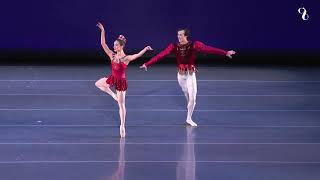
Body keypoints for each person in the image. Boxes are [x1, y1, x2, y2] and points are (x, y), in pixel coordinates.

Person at [140, 29, 236, 126]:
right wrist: (147, 64)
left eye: (181, 35)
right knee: (188, 98)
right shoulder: (173, 46)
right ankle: (190, 107)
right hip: (181, 76)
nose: (178, 37)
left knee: (193, 98)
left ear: (186, 36)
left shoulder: (194, 45)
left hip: (190, 74)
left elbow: (209, 49)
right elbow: (161, 55)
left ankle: (189, 118)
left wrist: (225, 52)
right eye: (178, 35)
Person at [95, 22, 153, 137]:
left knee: (121, 105)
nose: (114, 47)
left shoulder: (126, 58)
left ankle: (122, 126)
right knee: (98, 83)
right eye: (114, 45)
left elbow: (137, 55)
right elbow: (103, 44)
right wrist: (103, 31)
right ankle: (112, 95)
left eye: (116, 45)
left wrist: (145, 49)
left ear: (121, 46)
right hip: (112, 79)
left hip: (121, 82)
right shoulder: (112, 55)